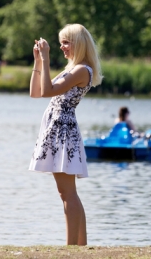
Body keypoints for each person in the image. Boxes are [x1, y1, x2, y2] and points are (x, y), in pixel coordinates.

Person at [29, 24, 103, 246]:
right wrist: (38, 61)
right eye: (61, 43)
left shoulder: (82, 70)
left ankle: (72, 247)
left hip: (63, 131)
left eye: (66, 42)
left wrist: (47, 57)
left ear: (78, 44)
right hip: (58, 129)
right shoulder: (73, 68)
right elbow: (35, 92)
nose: (62, 47)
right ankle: (80, 246)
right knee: (68, 193)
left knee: (67, 193)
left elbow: (47, 92)